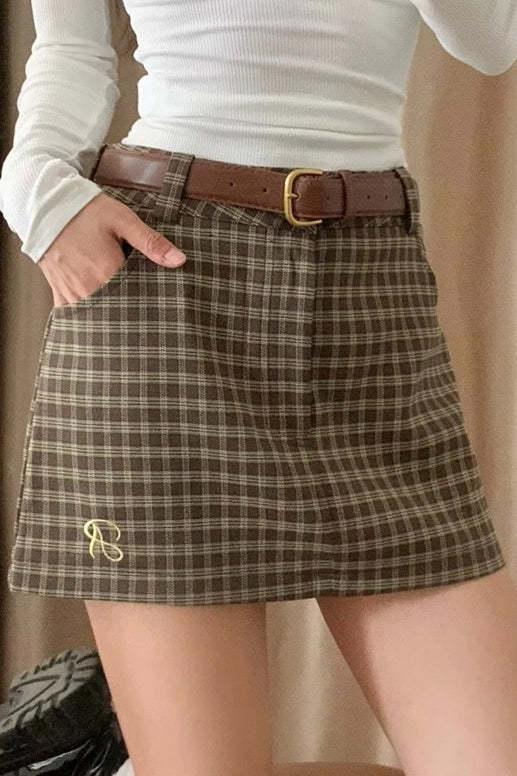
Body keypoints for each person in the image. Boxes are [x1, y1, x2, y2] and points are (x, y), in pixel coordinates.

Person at [1, 1, 517, 775]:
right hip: (166, 279)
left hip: (371, 286)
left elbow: (489, 41)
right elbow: (72, 52)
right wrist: (38, 192)